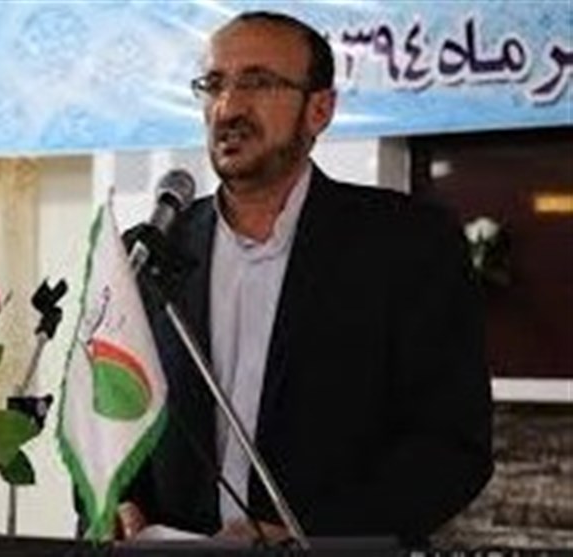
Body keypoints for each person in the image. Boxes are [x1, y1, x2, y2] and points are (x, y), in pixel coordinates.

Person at [118, 10, 493, 546]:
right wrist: (117, 500)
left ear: (320, 109)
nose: (228, 108)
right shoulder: (150, 252)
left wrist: (312, 537)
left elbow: (451, 446)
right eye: (214, 84)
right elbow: (111, 416)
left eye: (257, 82)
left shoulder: (407, 245)